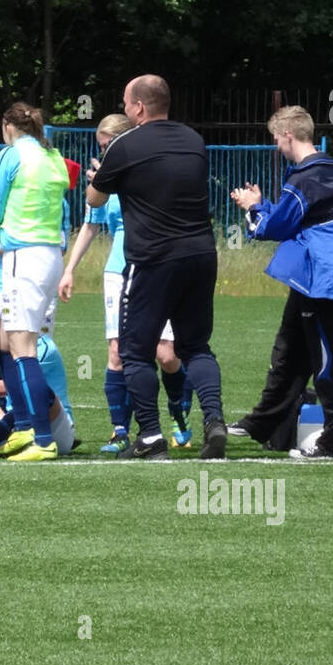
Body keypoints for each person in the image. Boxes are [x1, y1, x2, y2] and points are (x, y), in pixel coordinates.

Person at [87, 74, 227, 459]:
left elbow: (96, 199)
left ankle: (150, 435)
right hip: (201, 254)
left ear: (139, 107)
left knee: (135, 351)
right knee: (196, 346)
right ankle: (214, 421)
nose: (125, 109)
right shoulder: (193, 140)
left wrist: (99, 179)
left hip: (152, 259)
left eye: (126, 103)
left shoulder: (125, 144)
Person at [228, 105, 333, 458]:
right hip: (313, 275)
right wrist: (263, 206)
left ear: (288, 135)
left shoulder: (305, 177)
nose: (276, 145)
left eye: (276, 138)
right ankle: (261, 422)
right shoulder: (321, 171)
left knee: (322, 355)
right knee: (288, 348)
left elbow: (277, 227)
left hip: (321, 277)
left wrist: (253, 207)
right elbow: (298, 218)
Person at [59, 112, 193, 454]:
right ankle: (121, 430)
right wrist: (69, 268)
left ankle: (180, 411)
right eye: (101, 148)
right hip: (118, 271)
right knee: (118, 351)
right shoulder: (107, 175)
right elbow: (91, 224)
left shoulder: (146, 167)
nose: (104, 153)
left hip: (154, 267)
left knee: (165, 354)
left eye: (108, 146)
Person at [0, 103, 72, 461]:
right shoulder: (53, 156)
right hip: (49, 254)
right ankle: (22, 427)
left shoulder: (10, 154)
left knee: (23, 348)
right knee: (2, 340)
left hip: (22, 256)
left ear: (7, 126)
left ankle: (41, 437)